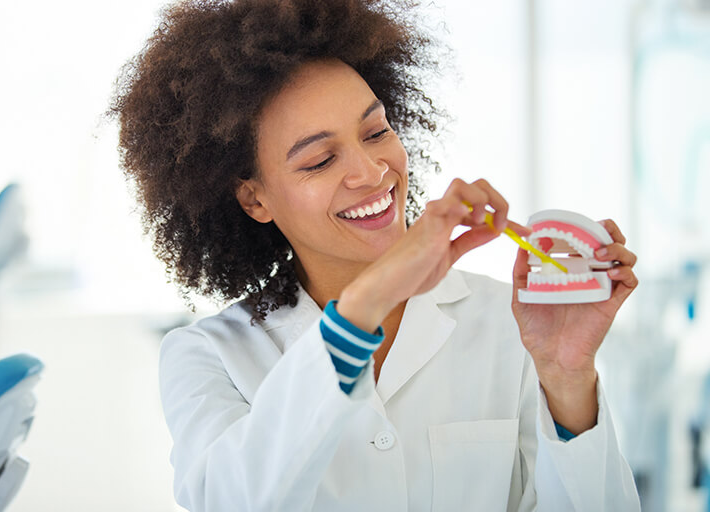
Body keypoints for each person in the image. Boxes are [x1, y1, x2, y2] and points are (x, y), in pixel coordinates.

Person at [110, 0, 641, 510]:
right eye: (319, 161)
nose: (371, 172)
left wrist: (568, 379)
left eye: (376, 131)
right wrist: (371, 297)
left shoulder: (514, 325)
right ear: (255, 198)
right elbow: (236, 500)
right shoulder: (209, 356)